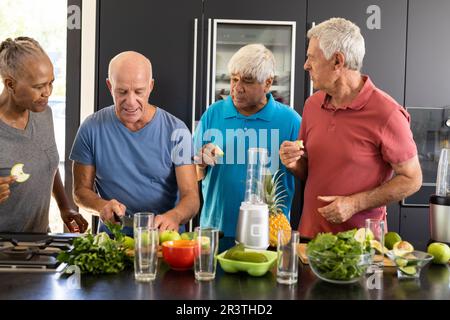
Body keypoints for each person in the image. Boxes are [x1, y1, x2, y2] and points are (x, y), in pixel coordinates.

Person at [279, 18, 422, 239]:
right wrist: (294, 163)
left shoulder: (388, 113)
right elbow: (309, 171)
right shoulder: (312, 105)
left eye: (311, 58)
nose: (306, 65)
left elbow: (412, 179)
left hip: (360, 247)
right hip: (309, 239)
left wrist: (355, 203)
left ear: (337, 61)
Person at [70, 51, 199, 235]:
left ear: (151, 86)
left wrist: (175, 216)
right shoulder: (91, 128)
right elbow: (80, 191)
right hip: (113, 245)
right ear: (109, 86)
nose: (130, 102)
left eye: (139, 91)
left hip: (164, 242)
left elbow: (191, 196)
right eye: (122, 92)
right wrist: (102, 206)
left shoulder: (177, 131)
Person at [194, 44, 302, 237]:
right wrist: (201, 163)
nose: (237, 88)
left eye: (247, 81)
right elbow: (194, 175)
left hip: (268, 234)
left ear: (268, 83)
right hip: (215, 232)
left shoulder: (291, 121)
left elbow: (307, 176)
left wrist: (295, 164)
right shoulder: (213, 114)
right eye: (234, 79)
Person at [0, 37, 88, 233]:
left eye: (51, 83)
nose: (47, 92)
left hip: (38, 243)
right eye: (38, 87)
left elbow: (47, 162)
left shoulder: (42, 113)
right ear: (10, 84)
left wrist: (65, 208)